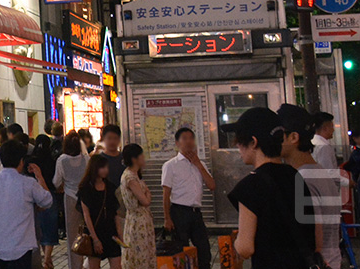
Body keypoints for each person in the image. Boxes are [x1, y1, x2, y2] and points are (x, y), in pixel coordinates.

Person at [220, 106, 313, 269]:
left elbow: (245, 248)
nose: (238, 148)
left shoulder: (250, 186)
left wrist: (236, 242)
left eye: (239, 142)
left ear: (254, 142)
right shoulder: (295, 175)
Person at [0, 141, 52, 269]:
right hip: (22, 247)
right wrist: (39, 177)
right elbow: (47, 201)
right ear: (21, 161)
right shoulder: (28, 183)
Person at [280, 104, 340, 269]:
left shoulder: (303, 178)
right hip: (332, 260)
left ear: (293, 137)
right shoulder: (318, 172)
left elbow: (312, 239)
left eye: (278, 135)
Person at [159, 128, 214, 269]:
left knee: (204, 250)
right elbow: (166, 194)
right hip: (179, 212)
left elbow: (212, 185)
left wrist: (198, 164)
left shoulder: (200, 164)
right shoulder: (171, 165)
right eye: (184, 138)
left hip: (196, 213)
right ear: (177, 143)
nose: (189, 141)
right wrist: (167, 218)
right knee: (181, 251)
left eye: (191, 138)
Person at [77, 154, 121, 269]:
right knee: (94, 265)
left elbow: (115, 213)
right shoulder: (85, 189)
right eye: (102, 167)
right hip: (94, 232)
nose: (106, 170)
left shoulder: (110, 187)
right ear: (95, 168)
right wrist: (95, 239)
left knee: (117, 264)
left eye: (106, 167)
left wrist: (120, 234)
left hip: (111, 232)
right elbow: (86, 215)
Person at [54, 133, 90, 269]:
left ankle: (74, 265)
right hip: (86, 199)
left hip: (70, 198)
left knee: (73, 235)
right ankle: (89, 262)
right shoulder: (86, 159)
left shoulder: (62, 160)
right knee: (89, 232)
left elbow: (56, 181)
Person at [116, 145, 154, 269]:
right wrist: (148, 195)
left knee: (142, 254)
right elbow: (145, 200)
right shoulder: (130, 178)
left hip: (139, 220)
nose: (144, 158)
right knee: (140, 256)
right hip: (138, 222)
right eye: (141, 155)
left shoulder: (133, 175)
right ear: (134, 159)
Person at [28, 135, 59, 269]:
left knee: (40, 227)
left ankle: (45, 259)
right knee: (51, 227)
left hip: (35, 196)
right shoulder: (52, 160)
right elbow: (56, 180)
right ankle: (47, 258)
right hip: (50, 194)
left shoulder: (32, 160)